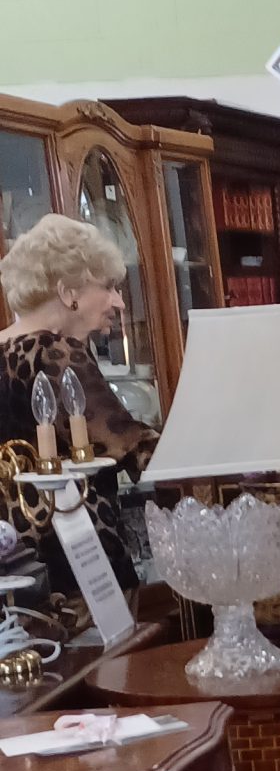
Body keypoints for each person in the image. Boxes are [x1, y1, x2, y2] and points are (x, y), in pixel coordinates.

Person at [0, 214, 155, 590]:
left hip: (14, 562)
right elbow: (127, 443)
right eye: (109, 287)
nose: (119, 302)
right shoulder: (54, 351)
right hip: (75, 557)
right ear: (68, 291)